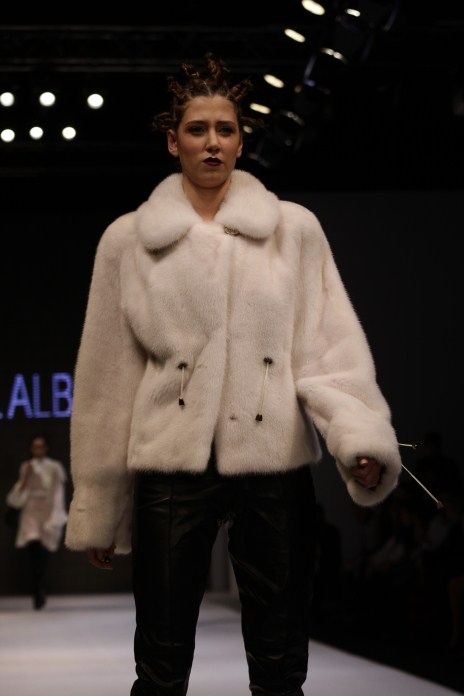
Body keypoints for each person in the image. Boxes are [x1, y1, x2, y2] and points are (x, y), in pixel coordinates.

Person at [64, 53, 403, 696]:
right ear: (173, 142)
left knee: (280, 661)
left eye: (226, 129)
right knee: (160, 664)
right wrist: (101, 504)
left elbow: (327, 348)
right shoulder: (128, 240)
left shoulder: (293, 230)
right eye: (197, 129)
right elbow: (108, 379)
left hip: (272, 459)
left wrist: (356, 436)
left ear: (242, 141)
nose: (212, 142)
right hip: (170, 461)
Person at [6, 433, 67, 609]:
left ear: (46, 448)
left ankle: (40, 587)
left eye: (41, 446)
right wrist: (26, 477)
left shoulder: (55, 466)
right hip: (31, 510)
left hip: (47, 510)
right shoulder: (26, 466)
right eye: (35, 446)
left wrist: (57, 513)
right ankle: (38, 589)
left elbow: (58, 492)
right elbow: (19, 492)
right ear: (31, 449)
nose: (38, 449)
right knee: (34, 548)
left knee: (43, 552)